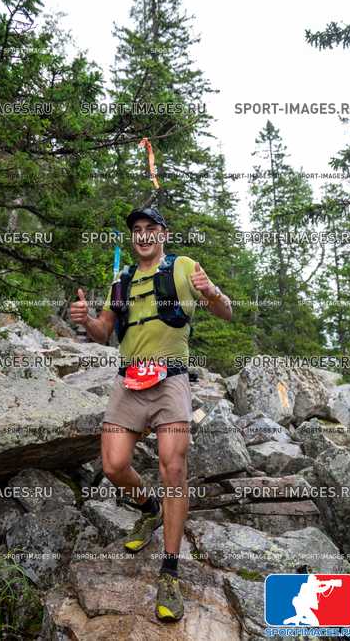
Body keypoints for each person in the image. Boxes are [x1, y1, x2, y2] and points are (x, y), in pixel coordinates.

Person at [70, 202, 232, 621]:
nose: (143, 234)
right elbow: (103, 332)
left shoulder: (184, 268)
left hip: (171, 380)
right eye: (137, 229)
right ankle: (149, 510)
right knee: (113, 465)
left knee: (172, 468)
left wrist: (211, 292)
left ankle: (170, 572)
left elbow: (226, 311)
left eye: (150, 228)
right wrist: (86, 320)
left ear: (163, 234)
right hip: (129, 381)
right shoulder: (121, 280)